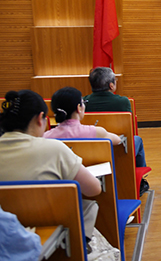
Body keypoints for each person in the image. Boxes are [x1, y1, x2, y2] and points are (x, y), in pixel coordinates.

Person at [0, 90, 102, 239]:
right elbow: (94, 189)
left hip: (4, 229)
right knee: (88, 206)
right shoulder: (53, 148)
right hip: (46, 226)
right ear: (40, 118)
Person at [85, 67, 148, 185]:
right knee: (137, 140)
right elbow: (129, 128)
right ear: (111, 85)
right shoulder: (122, 102)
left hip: (91, 149)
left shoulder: (84, 102)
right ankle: (140, 182)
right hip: (119, 147)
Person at [44, 86, 122, 145]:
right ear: (79, 108)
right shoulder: (96, 132)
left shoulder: (46, 137)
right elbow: (118, 140)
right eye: (83, 102)